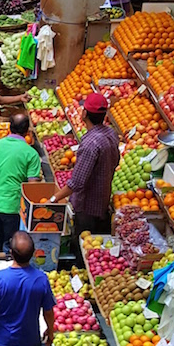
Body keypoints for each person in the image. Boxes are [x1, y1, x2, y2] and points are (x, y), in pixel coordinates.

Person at [53, 92, 120, 256]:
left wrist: (54, 199)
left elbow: (77, 183)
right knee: (95, 246)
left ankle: (80, 270)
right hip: (103, 199)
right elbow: (116, 162)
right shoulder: (111, 134)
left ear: (84, 113)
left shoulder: (90, 143)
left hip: (86, 206)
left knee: (83, 247)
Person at [0, 112, 42, 255]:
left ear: (9, 128)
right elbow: (32, 186)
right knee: (10, 241)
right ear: (27, 131)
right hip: (13, 205)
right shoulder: (31, 154)